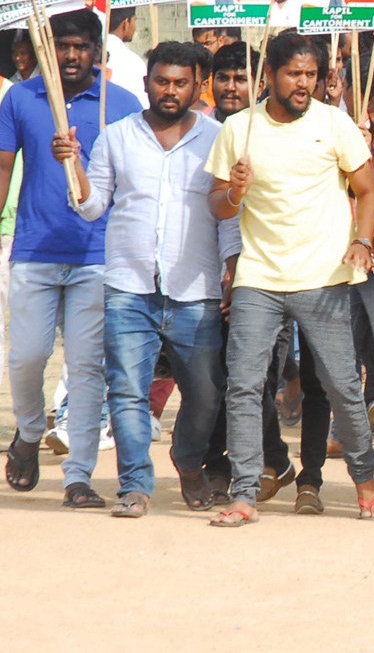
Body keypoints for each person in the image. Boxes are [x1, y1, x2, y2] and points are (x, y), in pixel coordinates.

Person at [205, 31, 374, 525]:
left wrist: (362, 240)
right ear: (270, 75)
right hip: (258, 278)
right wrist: (236, 192)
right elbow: (218, 205)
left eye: (311, 74)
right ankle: (245, 493)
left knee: (343, 385)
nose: (303, 83)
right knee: (243, 385)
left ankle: (365, 480)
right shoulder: (238, 129)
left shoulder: (336, 124)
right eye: (294, 73)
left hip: (324, 277)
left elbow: (367, 191)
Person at [52, 41, 236, 517]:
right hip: (128, 285)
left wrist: (232, 267)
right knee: (128, 390)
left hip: (196, 287)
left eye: (180, 82)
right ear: (145, 82)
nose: (170, 91)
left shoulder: (219, 138)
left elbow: (228, 218)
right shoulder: (116, 136)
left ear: (199, 85)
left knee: (206, 392)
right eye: (161, 81)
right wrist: (72, 165)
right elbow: (92, 207)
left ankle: (189, 460)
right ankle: (134, 484)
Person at [0, 8, 142, 505]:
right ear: (47, 49)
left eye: (82, 45)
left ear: (98, 51)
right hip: (35, 251)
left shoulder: (121, 105)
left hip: (98, 254)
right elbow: (3, 167)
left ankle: (78, 475)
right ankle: (30, 432)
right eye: (63, 45)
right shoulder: (20, 98)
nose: (73, 54)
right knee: (27, 356)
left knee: (85, 367)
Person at [104, 7, 150, 109]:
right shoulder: (133, 63)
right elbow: (143, 106)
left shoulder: (89, 54)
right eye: (134, 21)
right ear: (126, 23)